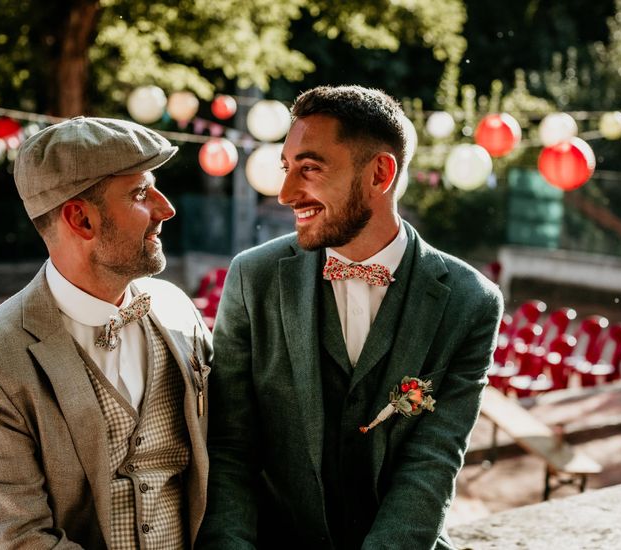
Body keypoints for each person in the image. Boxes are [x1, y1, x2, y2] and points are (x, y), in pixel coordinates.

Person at [197, 86, 503, 549]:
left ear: (379, 174)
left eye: (310, 169)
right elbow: (229, 449)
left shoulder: (470, 302)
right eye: (286, 168)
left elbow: (431, 462)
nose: (284, 194)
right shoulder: (252, 277)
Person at [0, 117, 211, 549]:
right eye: (141, 193)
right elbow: (19, 540)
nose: (166, 209)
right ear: (81, 219)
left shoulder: (178, 309)